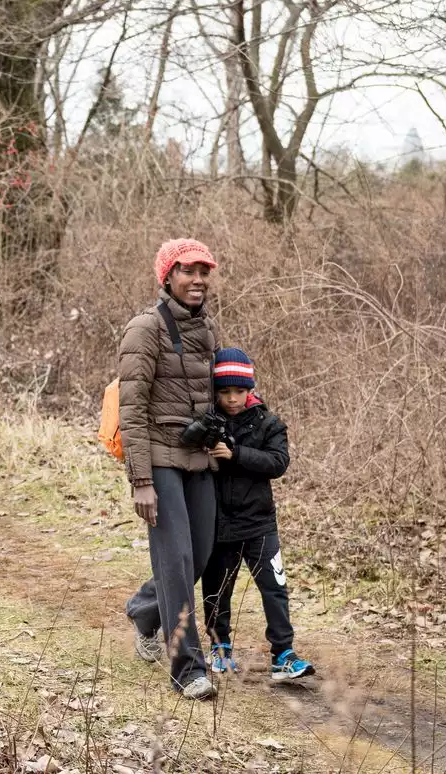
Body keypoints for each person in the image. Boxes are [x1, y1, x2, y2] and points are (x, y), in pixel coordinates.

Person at [119, 237, 221, 701]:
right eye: (187, 271)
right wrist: (141, 480)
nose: (197, 280)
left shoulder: (205, 330)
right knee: (176, 561)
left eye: (204, 271)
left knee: (197, 557)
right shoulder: (145, 329)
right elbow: (132, 409)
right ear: (168, 276)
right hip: (159, 459)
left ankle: (145, 608)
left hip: (198, 457)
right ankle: (187, 668)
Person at [201, 348, 315, 682]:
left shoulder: (269, 423)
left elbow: (278, 463)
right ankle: (219, 649)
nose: (232, 398)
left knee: (274, 587)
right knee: (217, 589)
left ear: (250, 389)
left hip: (260, 523)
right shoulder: (209, 421)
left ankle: (284, 653)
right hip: (219, 523)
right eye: (224, 392)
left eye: (239, 391)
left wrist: (235, 454)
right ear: (216, 392)